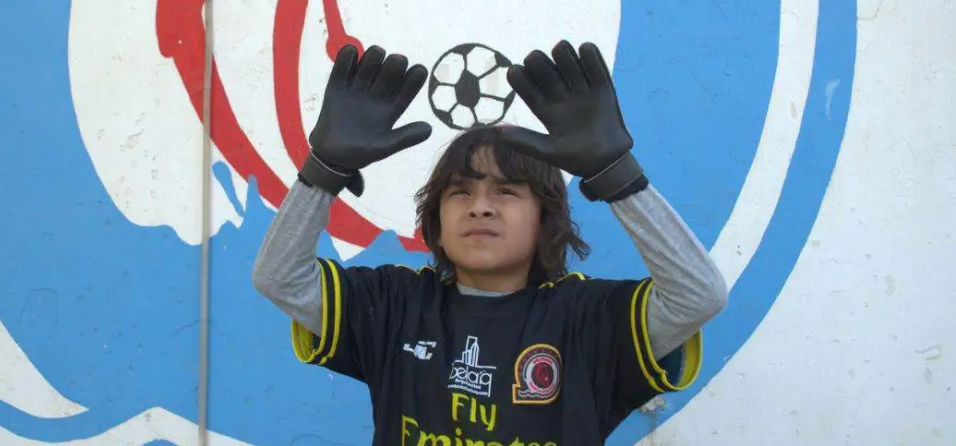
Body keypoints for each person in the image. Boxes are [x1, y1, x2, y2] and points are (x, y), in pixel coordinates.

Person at [252, 41, 728, 445]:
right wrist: (323, 172)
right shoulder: (394, 304)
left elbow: (698, 296)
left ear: (546, 218)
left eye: (506, 191)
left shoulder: (588, 318)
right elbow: (280, 279)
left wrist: (616, 175)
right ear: (435, 220)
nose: (480, 207)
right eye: (460, 191)